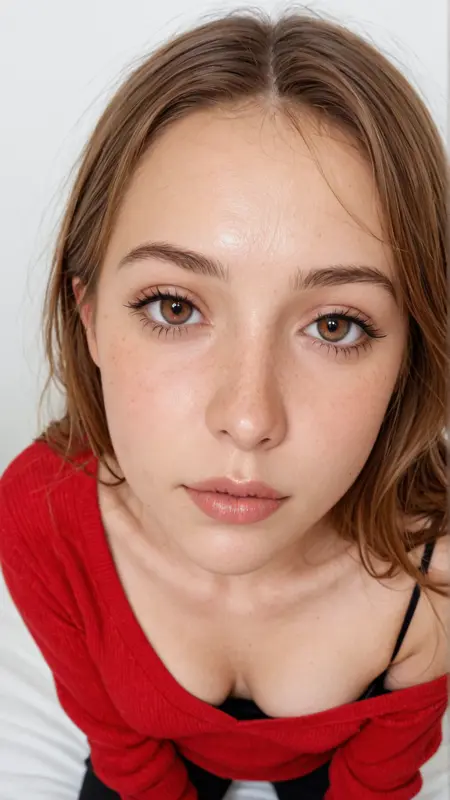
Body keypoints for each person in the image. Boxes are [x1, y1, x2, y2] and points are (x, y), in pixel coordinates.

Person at [0, 8, 448, 800]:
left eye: (335, 325)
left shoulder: (435, 573)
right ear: (89, 317)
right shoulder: (38, 517)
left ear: (409, 352)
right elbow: (123, 750)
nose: (248, 419)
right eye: (174, 307)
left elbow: (380, 779)